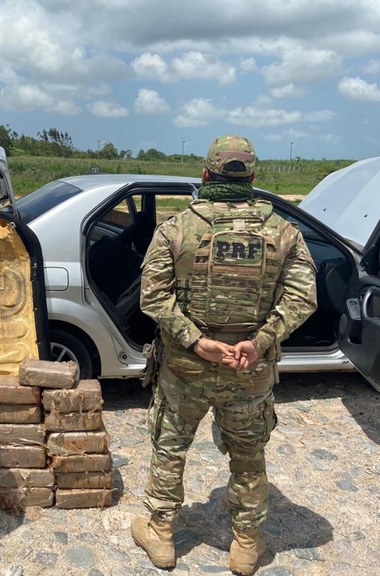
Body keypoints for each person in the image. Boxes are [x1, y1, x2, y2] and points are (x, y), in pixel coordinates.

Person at [131, 135, 317, 575]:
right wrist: (261, 340)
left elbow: (153, 297)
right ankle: (246, 546)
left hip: (186, 368)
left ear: (205, 174)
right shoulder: (283, 232)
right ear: (253, 177)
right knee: (248, 456)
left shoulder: (177, 228)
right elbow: (302, 297)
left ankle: (161, 535)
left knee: (170, 448)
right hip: (249, 367)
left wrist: (196, 341)